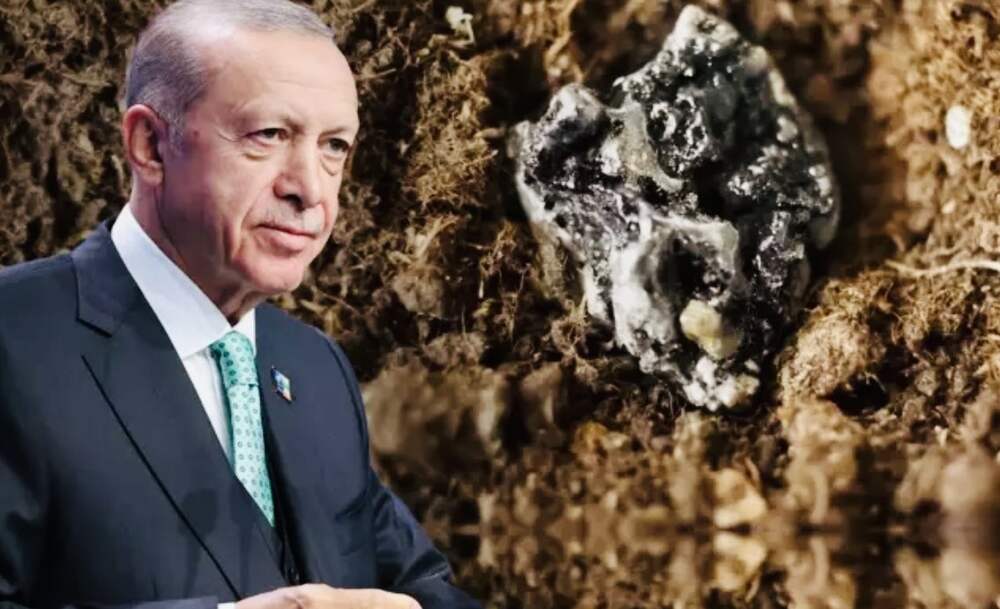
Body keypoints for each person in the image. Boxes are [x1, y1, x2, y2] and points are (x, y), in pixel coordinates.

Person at [0, 1, 481, 608]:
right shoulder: (15, 339)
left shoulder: (314, 367)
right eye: (269, 136)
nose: (309, 188)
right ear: (151, 145)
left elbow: (423, 587)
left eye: (334, 146)